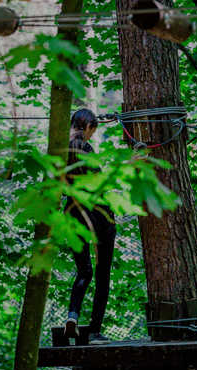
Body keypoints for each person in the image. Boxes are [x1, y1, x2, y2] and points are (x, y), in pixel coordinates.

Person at [63, 108, 116, 345]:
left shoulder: (60, 151)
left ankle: (72, 316)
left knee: (84, 271)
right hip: (99, 215)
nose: (92, 135)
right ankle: (94, 332)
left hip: (72, 214)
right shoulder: (86, 150)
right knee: (102, 274)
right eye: (93, 131)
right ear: (89, 127)